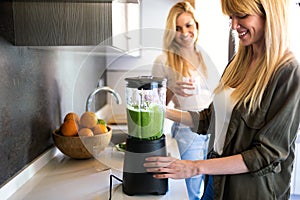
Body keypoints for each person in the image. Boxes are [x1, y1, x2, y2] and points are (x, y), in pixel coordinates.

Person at [144, 0, 300, 199]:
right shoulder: (238, 62)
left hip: (247, 191)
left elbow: (266, 154)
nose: (234, 26)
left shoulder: (288, 72)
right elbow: (210, 119)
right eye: (231, 17)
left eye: (242, 15)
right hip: (216, 181)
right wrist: (162, 110)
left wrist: (194, 167)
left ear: (269, 15)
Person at [151, 2, 219, 199]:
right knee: (192, 187)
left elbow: (218, 93)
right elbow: (155, 105)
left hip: (213, 127)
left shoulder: (207, 56)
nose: (184, 32)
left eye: (188, 25)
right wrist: (172, 89)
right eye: (178, 28)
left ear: (197, 25)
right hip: (188, 130)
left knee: (211, 185)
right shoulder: (163, 61)